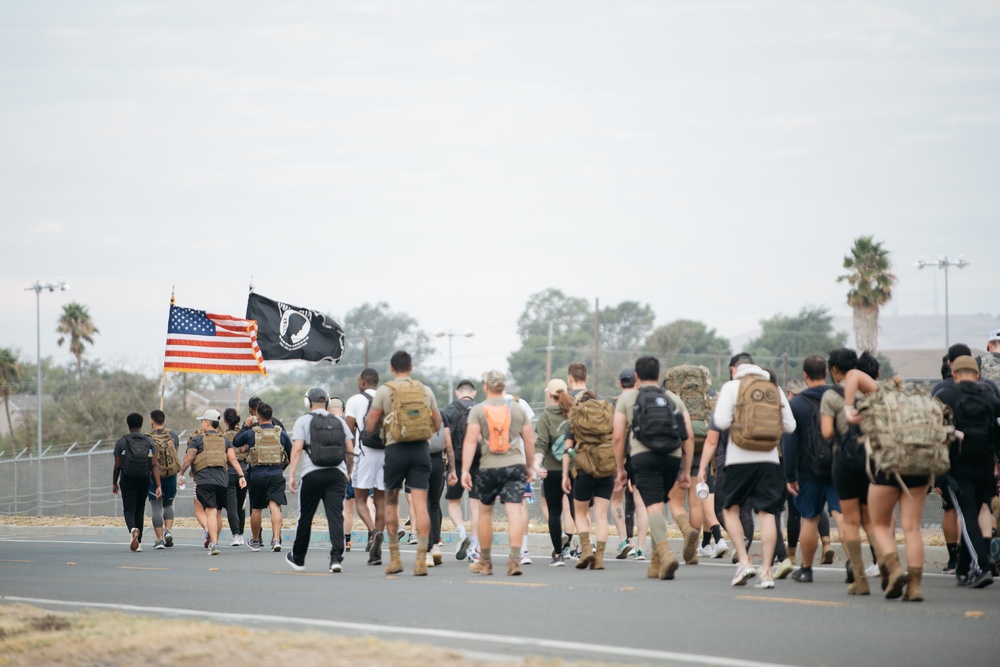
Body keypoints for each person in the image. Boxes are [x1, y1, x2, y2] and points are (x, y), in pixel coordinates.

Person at [843, 367, 931, 600]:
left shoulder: (881, 394)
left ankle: (894, 570)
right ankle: (915, 587)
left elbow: (852, 375)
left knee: (879, 523)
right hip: (920, 465)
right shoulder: (913, 402)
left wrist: (848, 409)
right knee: (912, 528)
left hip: (889, 467)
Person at [711, 353, 795, 589]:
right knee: (768, 514)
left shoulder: (731, 386)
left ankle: (744, 561)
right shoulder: (773, 388)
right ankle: (766, 572)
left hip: (738, 459)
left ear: (736, 370)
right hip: (769, 459)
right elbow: (790, 425)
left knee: (730, 509)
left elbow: (721, 421)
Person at [613, 356, 695, 581]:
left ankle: (666, 554)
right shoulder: (672, 398)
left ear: (637, 377)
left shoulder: (628, 398)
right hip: (672, 458)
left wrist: (620, 468)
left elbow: (618, 437)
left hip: (644, 456)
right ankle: (655, 564)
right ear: (659, 375)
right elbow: (687, 436)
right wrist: (686, 470)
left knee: (654, 508)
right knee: (657, 504)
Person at [364, 350, 442, 576]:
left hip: (395, 449)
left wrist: (385, 431)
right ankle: (421, 559)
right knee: (420, 504)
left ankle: (395, 559)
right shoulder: (425, 390)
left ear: (391, 368)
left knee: (391, 502)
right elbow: (437, 423)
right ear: (411, 367)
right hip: (420, 449)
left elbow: (370, 425)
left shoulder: (385, 391)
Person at [933, 355, 1000, 590]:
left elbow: (935, 433)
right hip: (985, 467)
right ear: (978, 374)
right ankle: (963, 568)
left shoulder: (946, 396)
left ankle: (981, 566)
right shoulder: (991, 397)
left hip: (958, 467)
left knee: (967, 514)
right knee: (974, 511)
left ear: (954, 374)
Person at [461, 370, 536, 576]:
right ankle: (515, 560)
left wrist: (465, 470)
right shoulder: (518, 410)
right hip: (515, 466)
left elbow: (470, 441)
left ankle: (485, 561)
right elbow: (529, 441)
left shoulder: (478, 410)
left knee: (485, 513)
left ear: (486, 387)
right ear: (504, 387)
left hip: (488, 467)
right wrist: (529, 467)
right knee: (514, 512)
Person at [782, 355, 848, 584]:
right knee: (841, 514)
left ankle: (807, 570)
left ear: (805, 376)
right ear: (828, 372)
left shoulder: (796, 404)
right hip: (840, 466)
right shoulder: (840, 397)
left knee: (809, 518)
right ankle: (853, 563)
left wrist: (789, 475)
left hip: (809, 470)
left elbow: (789, 443)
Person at [822, 349, 880, 594]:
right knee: (871, 520)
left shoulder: (831, 395)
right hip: (871, 459)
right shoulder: (869, 389)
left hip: (845, 461)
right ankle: (887, 565)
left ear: (834, 370)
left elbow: (826, 433)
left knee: (851, 520)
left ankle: (859, 578)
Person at [286, 387, 354, 573]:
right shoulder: (339, 421)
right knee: (335, 515)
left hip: (312, 474)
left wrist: (292, 475)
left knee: (305, 516)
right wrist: (349, 472)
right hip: (337, 474)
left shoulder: (303, 421)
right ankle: (336, 558)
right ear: (327, 402)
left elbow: (298, 448)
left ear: (308, 403)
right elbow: (349, 448)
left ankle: (298, 558)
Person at [180, 409, 245, 556]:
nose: (201, 423)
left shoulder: (198, 439)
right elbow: (233, 460)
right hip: (223, 480)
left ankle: (214, 543)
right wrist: (241, 475)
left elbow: (189, 459)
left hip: (205, 480)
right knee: (217, 513)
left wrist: (181, 473)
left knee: (210, 511)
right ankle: (215, 541)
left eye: (202, 421)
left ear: (207, 423)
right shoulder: (225, 440)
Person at [563, 390, 615, 571]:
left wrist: (566, 473)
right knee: (601, 516)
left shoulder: (575, 418)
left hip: (584, 470)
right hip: (607, 469)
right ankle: (599, 557)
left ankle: (586, 550)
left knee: (580, 513)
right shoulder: (608, 416)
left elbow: (567, 449)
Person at [233, 402, 292, 553]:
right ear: (271, 416)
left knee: (257, 509)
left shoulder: (252, 432)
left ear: (257, 416)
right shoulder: (281, 433)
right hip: (276, 474)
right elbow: (289, 452)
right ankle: (276, 539)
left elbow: (236, 442)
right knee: (275, 506)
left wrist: (246, 426)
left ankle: (256, 541)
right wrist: (280, 467)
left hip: (257, 475)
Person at [344, 368, 386, 566]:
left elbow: (348, 430)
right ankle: (377, 548)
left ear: (362, 382)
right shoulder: (387, 397)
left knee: (360, 498)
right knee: (380, 500)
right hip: (386, 452)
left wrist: (348, 462)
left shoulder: (355, 400)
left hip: (365, 452)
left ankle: (373, 531)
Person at [535, 378, 576, 566]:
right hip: (576, 468)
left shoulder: (545, 416)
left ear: (549, 396)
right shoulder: (575, 411)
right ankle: (579, 547)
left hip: (553, 469)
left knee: (554, 512)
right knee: (577, 509)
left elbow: (541, 444)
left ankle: (558, 554)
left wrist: (537, 465)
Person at [441, 379, 479, 561]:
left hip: (455, 461)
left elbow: (444, 439)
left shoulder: (448, 410)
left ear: (457, 392)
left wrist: (450, 466)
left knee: (454, 502)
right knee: (476, 504)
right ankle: (475, 545)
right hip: (478, 461)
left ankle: (462, 533)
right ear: (474, 393)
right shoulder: (481, 409)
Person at [113, 412, 161, 552]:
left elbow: (117, 465)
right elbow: (153, 465)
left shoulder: (122, 442)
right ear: (141, 425)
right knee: (140, 509)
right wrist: (158, 485)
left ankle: (133, 530)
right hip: (144, 478)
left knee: (129, 509)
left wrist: (114, 482)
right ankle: (138, 542)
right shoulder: (149, 441)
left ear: (128, 425)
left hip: (127, 478)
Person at [146, 410, 180, 549]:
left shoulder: (147, 438)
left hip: (154, 477)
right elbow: (175, 453)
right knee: (168, 504)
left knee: (156, 507)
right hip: (171, 474)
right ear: (164, 420)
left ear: (151, 420)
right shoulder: (173, 435)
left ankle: (159, 539)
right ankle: (168, 531)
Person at [328, 396, 355, 552]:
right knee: (367, 503)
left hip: (337, 469)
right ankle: (373, 533)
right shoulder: (351, 424)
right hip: (357, 467)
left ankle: (345, 541)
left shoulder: (324, 425)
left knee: (341, 508)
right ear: (343, 409)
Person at [221, 408, 247, 547]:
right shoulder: (242, 434)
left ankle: (236, 534)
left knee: (231, 504)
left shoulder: (222, 436)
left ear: (225, 421)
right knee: (241, 505)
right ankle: (241, 534)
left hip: (228, 472)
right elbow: (245, 450)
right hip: (243, 470)